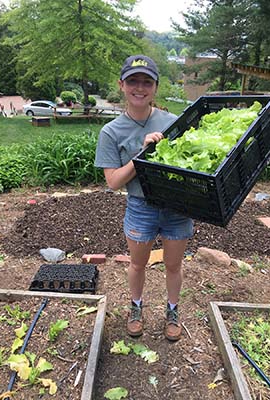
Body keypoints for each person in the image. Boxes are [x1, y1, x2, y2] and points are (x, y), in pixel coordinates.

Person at [94, 55, 193, 341]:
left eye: (147, 82)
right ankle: (136, 307)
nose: (140, 87)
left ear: (156, 87)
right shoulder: (111, 132)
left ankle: (172, 310)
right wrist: (142, 155)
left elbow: (190, 164)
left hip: (177, 206)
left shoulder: (173, 123)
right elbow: (113, 182)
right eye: (133, 81)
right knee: (137, 264)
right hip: (140, 208)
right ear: (121, 85)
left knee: (174, 265)